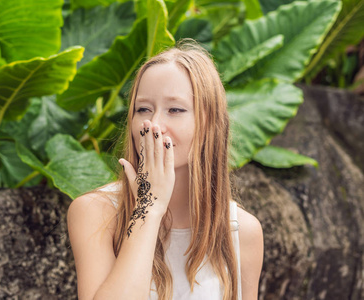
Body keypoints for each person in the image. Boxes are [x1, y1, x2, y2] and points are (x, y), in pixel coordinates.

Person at [67, 40, 264, 300]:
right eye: (143, 109)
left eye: (175, 109)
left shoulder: (242, 232)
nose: (154, 124)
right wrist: (148, 207)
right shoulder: (96, 212)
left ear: (209, 125)